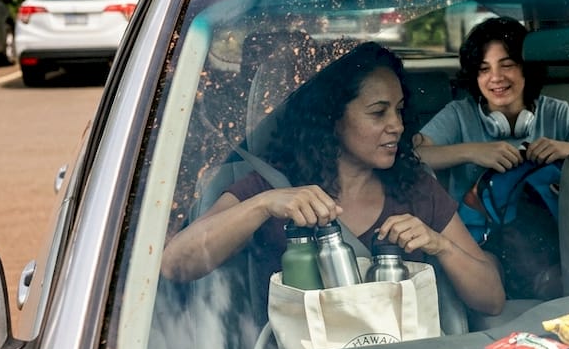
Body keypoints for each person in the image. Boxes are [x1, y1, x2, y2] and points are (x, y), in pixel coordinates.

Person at [161, 41, 505, 317]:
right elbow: (176, 264)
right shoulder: (268, 187)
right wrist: (263, 206)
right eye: (378, 112)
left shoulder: (415, 186)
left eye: (399, 110)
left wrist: (440, 245)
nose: (397, 126)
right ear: (333, 118)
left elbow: (492, 300)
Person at [415, 16, 569, 202]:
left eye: (507, 65)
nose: (496, 78)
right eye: (484, 69)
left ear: (526, 68)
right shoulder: (459, 113)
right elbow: (414, 155)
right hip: (475, 234)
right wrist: (471, 152)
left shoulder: (556, 113)